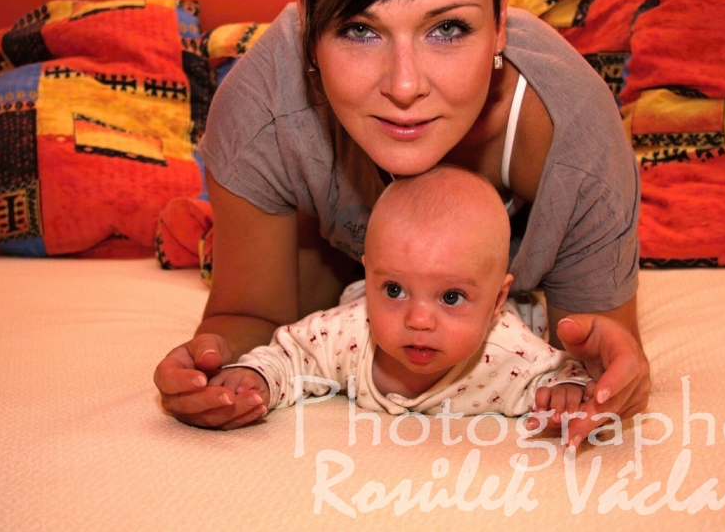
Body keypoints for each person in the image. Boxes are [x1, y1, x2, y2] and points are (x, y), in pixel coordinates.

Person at [154, 0, 651, 448]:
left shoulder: (578, 144)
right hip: (324, 246)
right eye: (359, 29)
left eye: (448, 28)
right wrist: (210, 370)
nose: (405, 86)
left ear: (500, 23)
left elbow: (591, 364)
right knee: (311, 298)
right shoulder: (263, 113)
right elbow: (250, 320)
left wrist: (610, 383)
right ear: (309, 30)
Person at [207, 166, 595, 433]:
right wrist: (256, 378)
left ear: (496, 301)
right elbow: (290, 355)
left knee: (534, 310)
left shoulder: (512, 353)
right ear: (368, 275)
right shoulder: (348, 333)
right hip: (356, 302)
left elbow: (565, 374)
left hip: (522, 312)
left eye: (451, 296)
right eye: (394, 289)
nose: (418, 320)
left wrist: (567, 394)